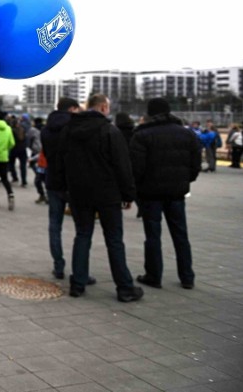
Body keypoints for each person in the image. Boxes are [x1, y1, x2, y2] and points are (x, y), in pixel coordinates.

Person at [52, 93, 144, 303]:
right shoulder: (110, 131)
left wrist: (61, 189)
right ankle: (124, 287)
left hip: (78, 192)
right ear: (103, 107)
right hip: (107, 193)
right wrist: (128, 194)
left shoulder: (69, 130)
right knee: (114, 239)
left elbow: (60, 162)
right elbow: (122, 165)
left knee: (82, 235)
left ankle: (78, 283)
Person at [129, 98, 201, 290]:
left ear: (149, 113)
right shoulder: (187, 134)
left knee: (153, 235)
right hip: (177, 193)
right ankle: (187, 276)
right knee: (180, 235)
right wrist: (185, 181)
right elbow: (195, 165)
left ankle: (154, 275)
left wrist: (137, 188)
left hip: (150, 194)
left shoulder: (142, 135)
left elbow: (137, 168)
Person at [41, 98, 82, 280]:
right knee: (82, 228)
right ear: (72, 109)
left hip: (53, 179)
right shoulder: (76, 128)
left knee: (54, 225)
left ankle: (58, 265)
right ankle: (80, 269)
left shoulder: (46, 129)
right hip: (73, 181)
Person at [27, 117, 46, 203]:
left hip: (45, 164)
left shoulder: (33, 130)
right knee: (38, 181)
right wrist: (32, 159)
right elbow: (41, 153)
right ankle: (42, 195)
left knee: (43, 181)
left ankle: (45, 196)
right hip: (41, 164)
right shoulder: (46, 140)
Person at [8, 114, 29, 187]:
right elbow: (26, 139)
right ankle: (24, 181)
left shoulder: (11, 130)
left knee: (11, 164)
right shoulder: (23, 130)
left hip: (14, 149)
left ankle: (14, 177)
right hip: (22, 149)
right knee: (23, 166)